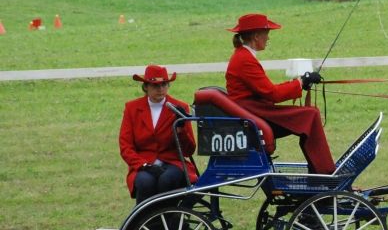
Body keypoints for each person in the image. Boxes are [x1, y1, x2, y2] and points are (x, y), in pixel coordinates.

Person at [225, 13, 336, 175]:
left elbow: (267, 89)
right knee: (310, 115)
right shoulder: (245, 59)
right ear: (256, 36)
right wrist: (300, 83)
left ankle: (320, 171)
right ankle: (325, 173)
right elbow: (272, 93)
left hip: (253, 110)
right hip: (253, 114)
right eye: (266, 34)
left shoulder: (244, 56)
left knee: (309, 115)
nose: (268, 38)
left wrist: (299, 82)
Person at [119, 65, 198, 204]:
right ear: (146, 87)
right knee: (145, 182)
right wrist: (143, 165)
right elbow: (125, 146)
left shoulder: (179, 107)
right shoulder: (132, 108)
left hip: (173, 162)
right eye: (155, 86)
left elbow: (189, 150)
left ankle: (171, 220)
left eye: (164, 85)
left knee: (167, 180)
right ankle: (149, 223)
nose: (160, 89)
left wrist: (181, 130)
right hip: (144, 163)